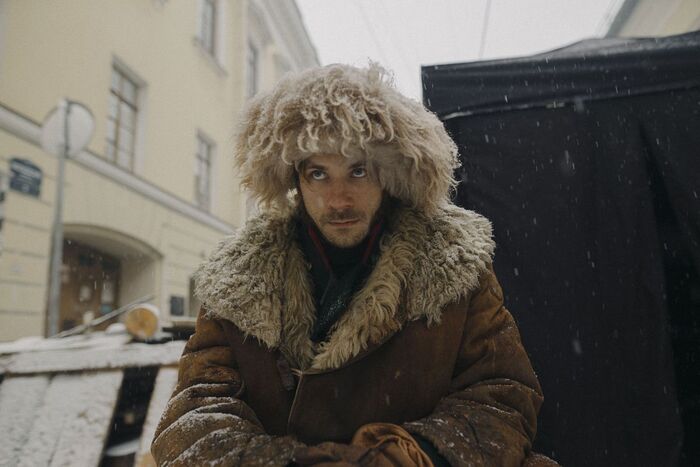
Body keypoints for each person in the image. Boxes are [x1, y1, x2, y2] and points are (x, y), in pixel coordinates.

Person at [152, 63, 553, 466]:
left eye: (358, 171)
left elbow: (502, 397)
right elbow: (194, 413)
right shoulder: (237, 278)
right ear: (295, 179)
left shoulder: (455, 264)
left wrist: (404, 458)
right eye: (319, 174)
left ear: (387, 174)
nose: (339, 199)